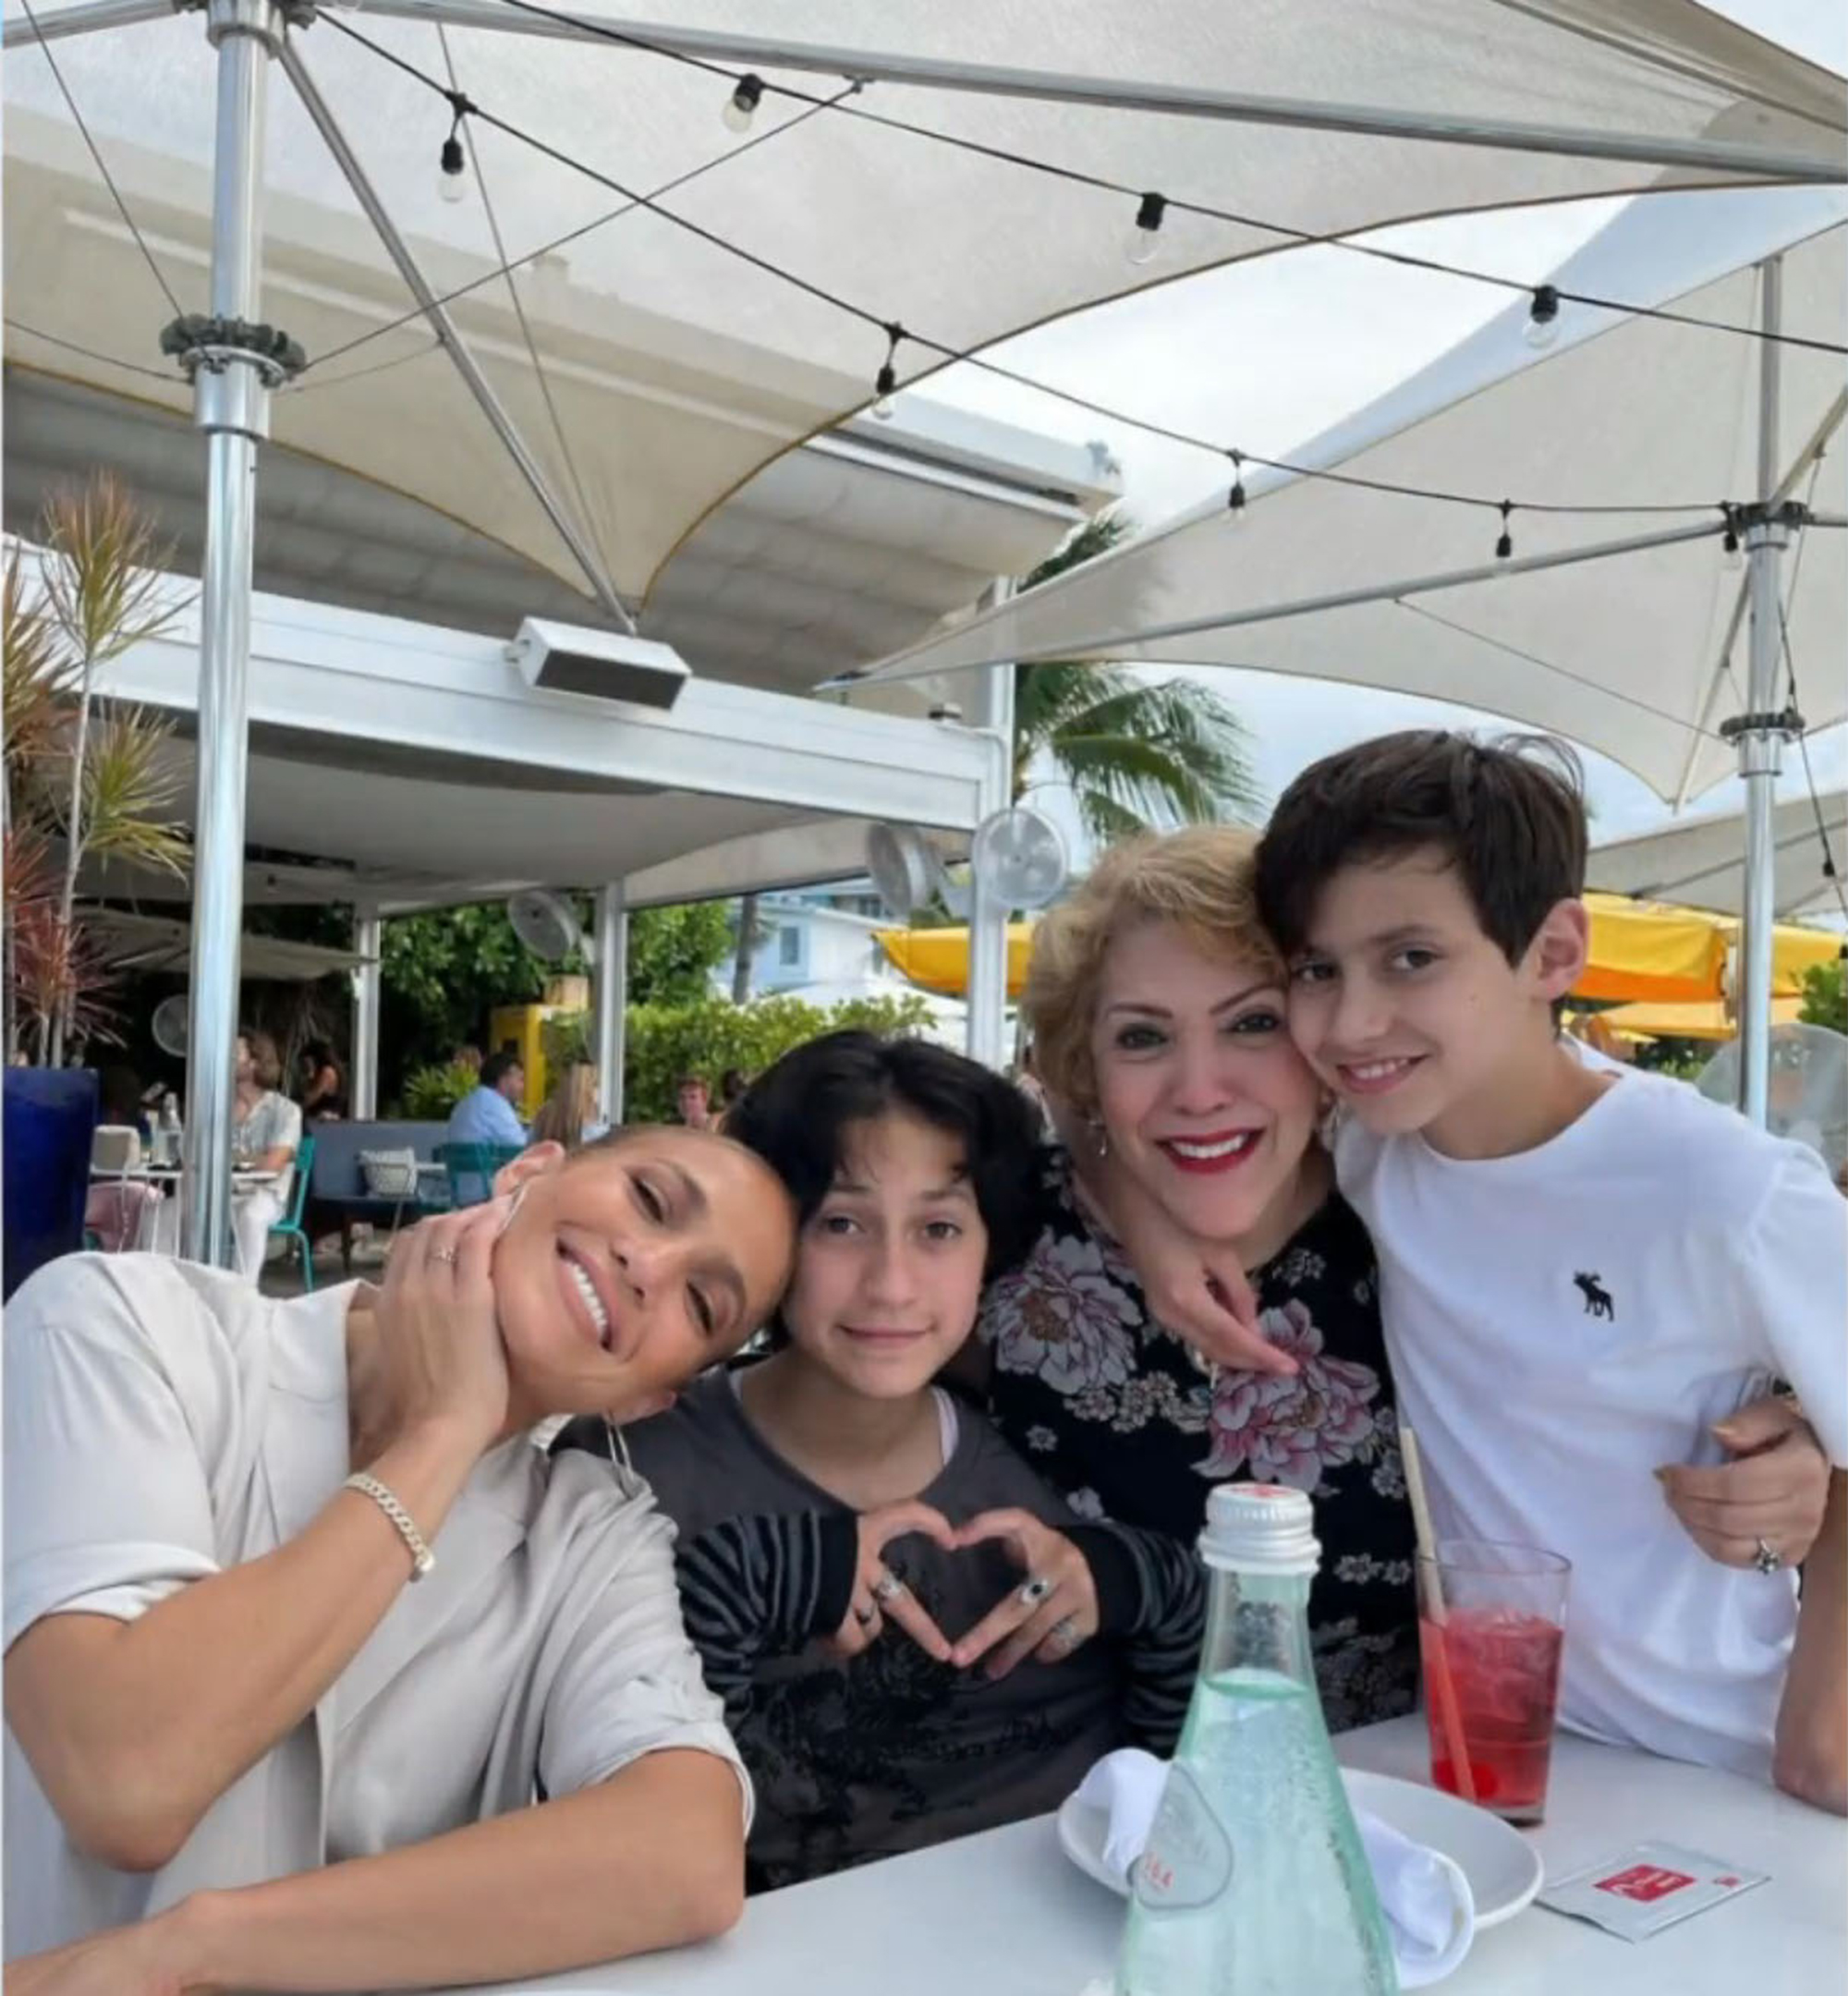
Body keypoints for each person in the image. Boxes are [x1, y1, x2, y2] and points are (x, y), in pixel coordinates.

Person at [980, 825, 1834, 1736]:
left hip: (1404, 1817)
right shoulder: (994, 1233)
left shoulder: (1398, 1202)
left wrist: (1798, 1435)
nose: (1198, 1088)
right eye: (1142, 1037)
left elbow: (1616, 1340)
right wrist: (1139, 1219)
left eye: (1252, 1022)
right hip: (1027, 1825)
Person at [1147, 733, 1846, 1808]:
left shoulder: (1723, 1188)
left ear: (1551, 952)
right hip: (1492, 1759)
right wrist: (1165, 1249)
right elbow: (1118, 1132)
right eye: (1314, 970)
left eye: (1410, 959)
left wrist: (1819, 1729)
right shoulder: (1373, 1146)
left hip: (1725, 1768)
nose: (1349, 1022)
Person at [3, 1126, 796, 1989]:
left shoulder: (592, 1537)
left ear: (650, 1399)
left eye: (702, 1305)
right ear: (529, 1170)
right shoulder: (124, 1325)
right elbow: (125, 1782)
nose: (651, 1265)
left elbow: (686, 1854)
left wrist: (200, 1945)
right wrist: (441, 1434)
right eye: (649, 1200)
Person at [556, 1033, 1200, 1889]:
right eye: (842, 1224)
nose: (891, 1284)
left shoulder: (1049, 1440)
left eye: (939, 1227)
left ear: (990, 1249)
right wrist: (762, 1585)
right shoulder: (628, 1477)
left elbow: (1191, 1752)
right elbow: (624, 1822)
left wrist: (1127, 1579)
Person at [230, 1029, 302, 1284]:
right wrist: (253, 1158)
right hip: (220, 1193)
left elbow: (272, 1167)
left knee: (251, 1215)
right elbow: (191, 1155)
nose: (225, 1056)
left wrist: (232, 1158)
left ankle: (241, 1294)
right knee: (165, 1212)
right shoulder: (215, 1106)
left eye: (235, 1052)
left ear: (255, 1063)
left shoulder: (286, 1111)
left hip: (266, 1194)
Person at [531, 1062, 602, 1151]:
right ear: (588, 1089)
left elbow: (529, 1150)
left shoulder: (544, 1116)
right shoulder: (592, 1127)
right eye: (595, 1084)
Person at [296, 1041, 347, 1121]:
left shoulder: (327, 1072)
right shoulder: (317, 1075)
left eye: (306, 1063)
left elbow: (310, 1099)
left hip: (326, 1119)